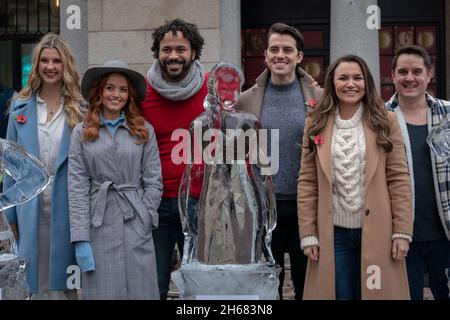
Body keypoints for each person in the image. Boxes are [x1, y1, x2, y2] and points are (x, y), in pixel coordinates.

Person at [298, 54, 413, 300]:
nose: (351, 84)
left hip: (378, 232)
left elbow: (399, 178)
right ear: (332, 83)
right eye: (343, 78)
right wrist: (308, 233)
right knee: (340, 294)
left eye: (357, 78)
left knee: (376, 294)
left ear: (366, 82)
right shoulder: (315, 123)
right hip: (333, 234)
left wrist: (402, 231)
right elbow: (307, 181)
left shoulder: (385, 120)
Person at [237, 22, 323, 300]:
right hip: (263, 207)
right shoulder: (245, 100)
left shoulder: (320, 98)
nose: (280, 55)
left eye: (288, 50)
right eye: (274, 49)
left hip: (306, 207)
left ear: (299, 57)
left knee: (306, 281)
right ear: (266, 55)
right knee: (268, 283)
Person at [68, 60, 162, 299]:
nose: (116, 94)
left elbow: (153, 181)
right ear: (99, 91)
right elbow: (77, 187)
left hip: (135, 221)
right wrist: (80, 238)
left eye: (123, 89)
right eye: (110, 88)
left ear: (129, 95)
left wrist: (146, 215)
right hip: (98, 225)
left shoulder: (144, 130)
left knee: (142, 291)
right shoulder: (82, 132)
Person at [3, 33, 84, 299]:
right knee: (34, 280)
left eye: (57, 61)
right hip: (30, 206)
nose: (50, 66)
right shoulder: (19, 109)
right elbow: (11, 170)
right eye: (45, 60)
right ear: (37, 64)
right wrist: (11, 218)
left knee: (68, 281)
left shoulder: (79, 110)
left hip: (68, 205)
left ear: (66, 66)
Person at [141, 18, 207, 299]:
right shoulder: (141, 92)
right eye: (166, 49)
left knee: (198, 285)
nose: (174, 56)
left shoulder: (211, 90)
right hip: (155, 205)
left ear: (194, 52)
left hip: (198, 202)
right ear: (157, 52)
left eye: (181, 49)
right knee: (152, 284)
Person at [386, 45, 450, 300]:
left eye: (416, 71)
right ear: (392, 76)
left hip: (444, 234)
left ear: (429, 75)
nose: (409, 78)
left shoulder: (447, 114)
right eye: (402, 71)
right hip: (401, 236)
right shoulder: (380, 117)